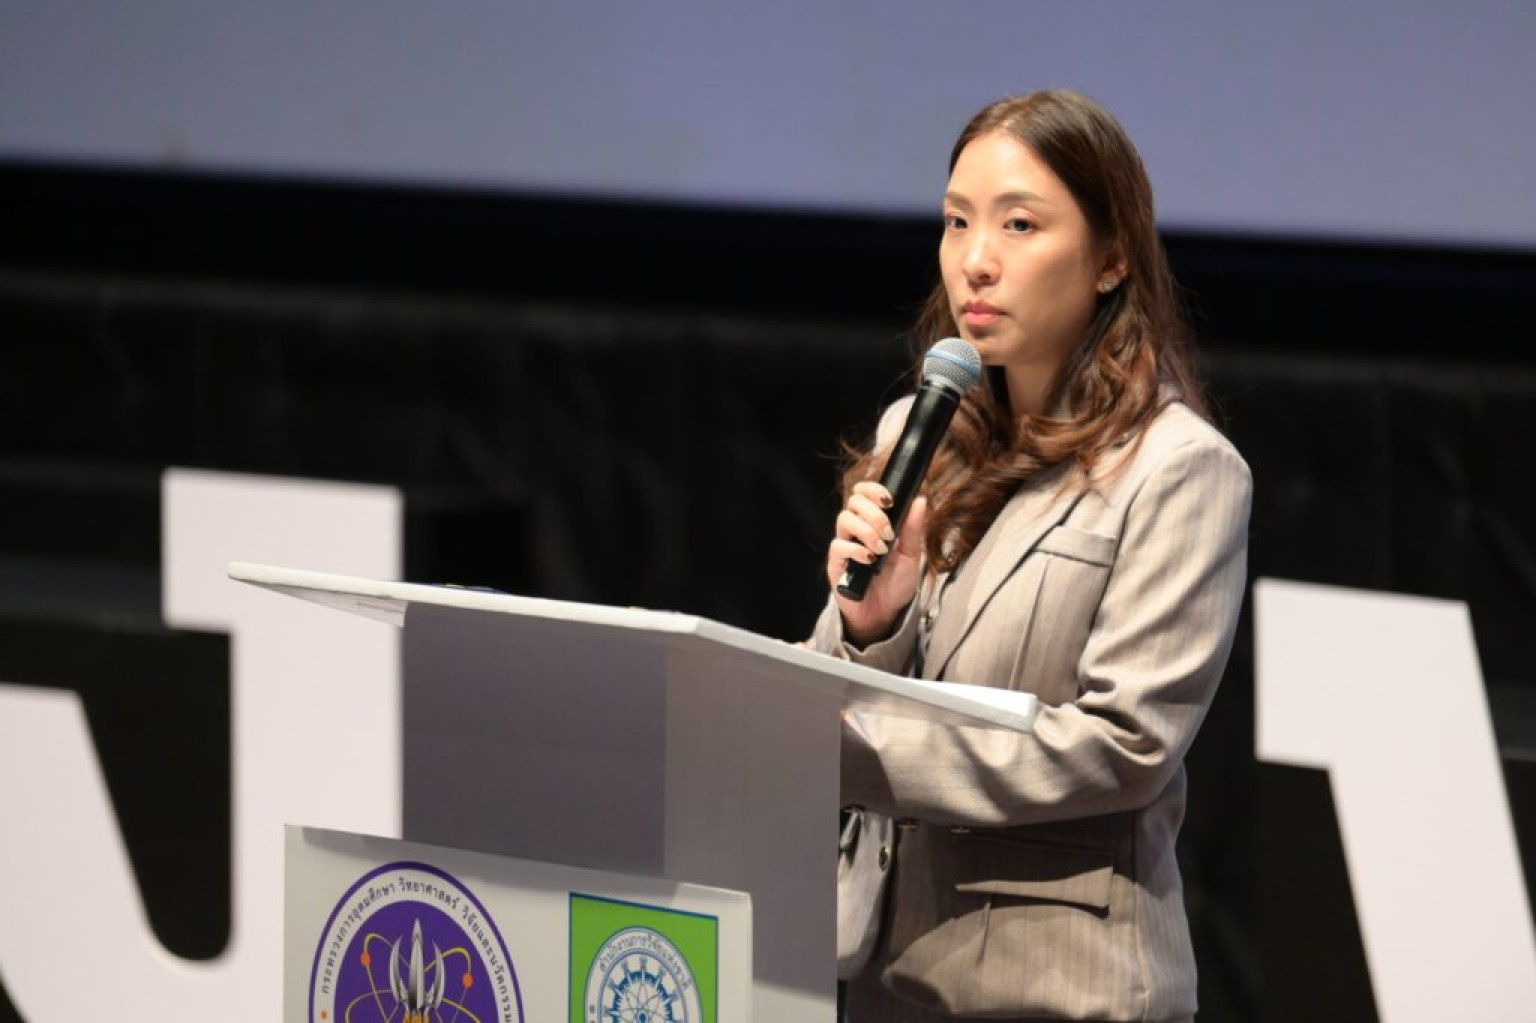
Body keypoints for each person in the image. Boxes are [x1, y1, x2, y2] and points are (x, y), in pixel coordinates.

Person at [811, 90, 1251, 1022]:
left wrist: (869, 758)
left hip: (1064, 986)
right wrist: (872, 625)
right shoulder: (917, 433)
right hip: (889, 972)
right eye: (956, 221)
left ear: (1112, 258)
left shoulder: (1180, 469)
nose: (976, 259)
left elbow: (1124, 743)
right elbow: (828, 687)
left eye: (1019, 224)